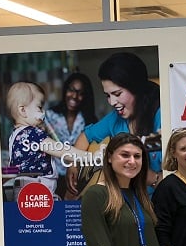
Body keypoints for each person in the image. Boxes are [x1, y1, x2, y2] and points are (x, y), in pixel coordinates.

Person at [67, 52, 162, 197]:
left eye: (117, 94)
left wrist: (153, 179)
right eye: (108, 95)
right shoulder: (114, 119)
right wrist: (73, 165)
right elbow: (86, 136)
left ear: (136, 88)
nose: (111, 102)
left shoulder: (161, 115)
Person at [43, 73, 97, 199]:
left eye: (80, 93)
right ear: (65, 90)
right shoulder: (49, 116)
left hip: (77, 178)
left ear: (85, 97)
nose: (74, 96)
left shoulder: (90, 121)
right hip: (51, 176)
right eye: (71, 90)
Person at [6, 81, 57, 192]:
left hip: (21, 190)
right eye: (39, 107)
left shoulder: (14, 136)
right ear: (23, 110)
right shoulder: (33, 134)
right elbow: (61, 150)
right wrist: (88, 156)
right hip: (39, 190)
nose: (43, 112)